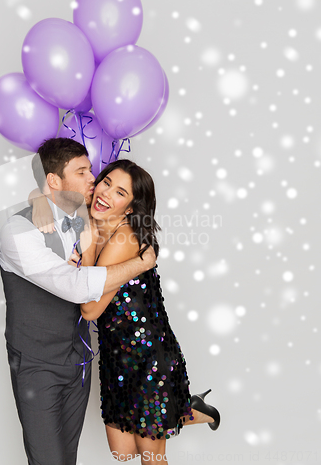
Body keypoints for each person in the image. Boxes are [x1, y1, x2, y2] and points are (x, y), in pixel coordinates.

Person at [0, 139, 157, 465]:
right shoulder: (18, 231)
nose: (93, 181)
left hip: (81, 361)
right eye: (83, 172)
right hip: (37, 366)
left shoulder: (87, 217)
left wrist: (42, 197)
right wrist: (141, 263)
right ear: (54, 180)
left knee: (67, 458)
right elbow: (75, 287)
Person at [65, 159, 221, 465]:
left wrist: (83, 255)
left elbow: (90, 308)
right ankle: (188, 407)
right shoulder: (97, 226)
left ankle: (182, 407)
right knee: (122, 453)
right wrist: (89, 231)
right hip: (115, 357)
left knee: (151, 457)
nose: (106, 193)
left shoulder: (124, 238)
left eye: (120, 192)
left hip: (149, 359)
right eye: (107, 182)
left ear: (131, 208)